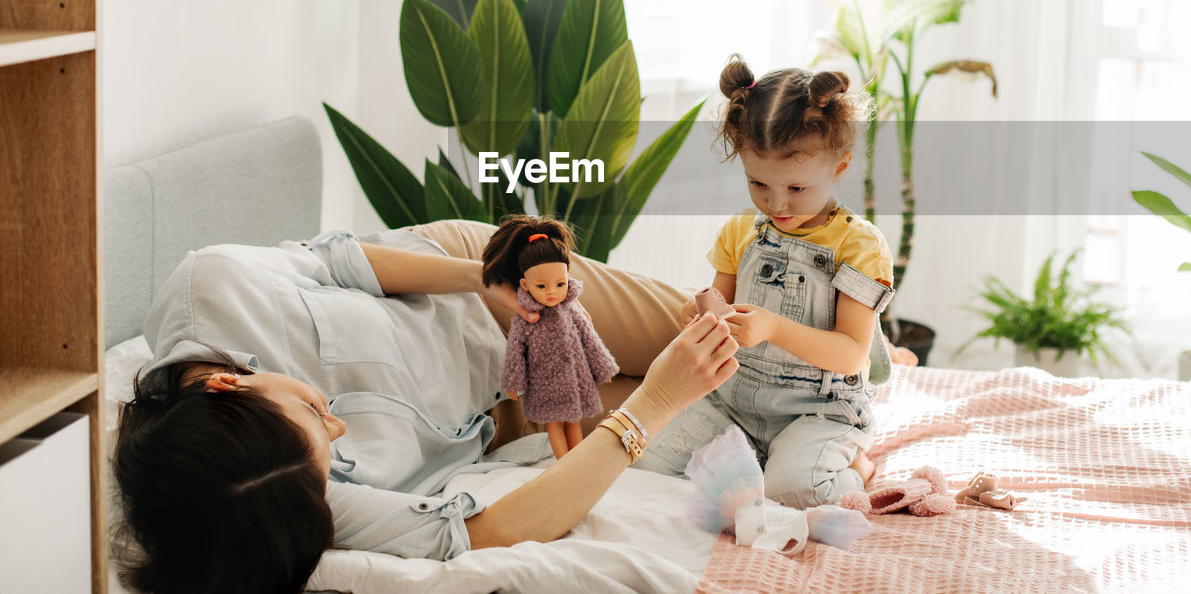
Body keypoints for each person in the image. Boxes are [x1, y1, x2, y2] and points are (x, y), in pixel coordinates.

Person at [113, 222, 738, 594]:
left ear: (228, 384)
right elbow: (490, 532)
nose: (339, 426)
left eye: (313, 406)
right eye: (330, 448)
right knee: (725, 392)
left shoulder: (212, 284)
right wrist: (655, 402)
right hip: (508, 409)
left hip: (483, 288)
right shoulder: (280, 494)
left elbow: (343, 262)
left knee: (730, 331)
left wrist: (485, 277)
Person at [635, 55, 903, 509]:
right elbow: (721, 303)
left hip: (816, 410)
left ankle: (857, 463)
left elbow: (851, 353)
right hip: (733, 401)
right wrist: (699, 317)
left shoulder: (860, 246)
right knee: (647, 463)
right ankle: (759, 456)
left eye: (796, 189)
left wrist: (773, 327)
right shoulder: (742, 231)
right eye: (758, 184)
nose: (776, 203)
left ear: (839, 166)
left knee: (798, 492)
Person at [482, 215, 619, 459]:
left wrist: (603, 367)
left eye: (560, 284)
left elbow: (590, 339)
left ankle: (576, 461)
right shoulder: (526, 317)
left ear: (568, 278)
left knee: (573, 420)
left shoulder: (572, 309)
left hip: (574, 376)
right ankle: (563, 464)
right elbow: (516, 351)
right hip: (544, 380)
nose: (553, 293)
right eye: (542, 287)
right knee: (553, 423)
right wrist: (513, 382)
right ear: (524, 284)